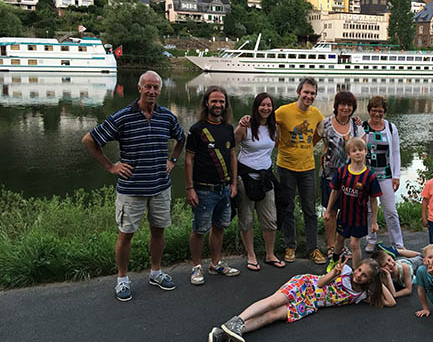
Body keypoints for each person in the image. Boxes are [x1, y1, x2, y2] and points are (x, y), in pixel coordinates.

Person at [82, 70, 185, 302]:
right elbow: (89, 140)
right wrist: (110, 167)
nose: (151, 91)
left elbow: (181, 138)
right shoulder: (123, 117)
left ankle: (156, 272)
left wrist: (173, 160)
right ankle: (122, 279)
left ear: (160, 90)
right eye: (147, 86)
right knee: (125, 234)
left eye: (155, 87)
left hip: (160, 186)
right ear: (139, 88)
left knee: (158, 231)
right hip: (131, 190)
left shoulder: (167, 116)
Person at [208, 258, 396, 342]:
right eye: (359, 270)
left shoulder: (360, 295)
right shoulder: (344, 272)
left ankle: (226, 333)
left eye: (364, 276)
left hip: (309, 304)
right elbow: (321, 283)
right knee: (273, 301)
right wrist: (334, 273)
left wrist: (384, 277)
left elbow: (391, 302)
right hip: (306, 284)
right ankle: (237, 321)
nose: (358, 275)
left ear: (370, 280)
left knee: (273, 315)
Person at [185, 85, 240, 286]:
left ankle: (215, 263)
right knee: (199, 229)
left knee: (219, 227)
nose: (218, 105)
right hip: (203, 188)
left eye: (221, 101)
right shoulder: (197, 129)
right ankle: (197, 266)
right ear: (206, 103)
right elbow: (189, 159)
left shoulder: (227, 128)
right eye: (214, 101)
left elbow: (232, 156)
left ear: (226, 104)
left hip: (224, 189)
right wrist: (189, 188)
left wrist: (234, 183)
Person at [273, 77, 325, 264]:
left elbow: (319, 133)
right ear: (298, 92)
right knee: (288, 208)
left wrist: (310, 145)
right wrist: (277, 142)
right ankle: (290, 246)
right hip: (286, 167)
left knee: (310, 210)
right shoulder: (283, 111)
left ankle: (313, 248)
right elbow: (266, 122)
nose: (309, 96)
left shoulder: (316, 114)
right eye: (306, 92)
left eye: (312, 93)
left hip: (308, 168)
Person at [234, 92, 285, 271]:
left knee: (270, 219)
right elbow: (230, 148)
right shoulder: (245, 127)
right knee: (246, 219)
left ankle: (270, 254)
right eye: (262, 105)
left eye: (269, 105)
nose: (266, 108)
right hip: (245, 178)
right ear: (256, 107)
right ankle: (251, 255)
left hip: (265, 177)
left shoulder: (274, 127)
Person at [317, 91, 365, 259]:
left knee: (346, 213)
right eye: (342, 104)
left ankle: (340, 245)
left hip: (351, 178)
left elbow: (363, 151)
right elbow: (311, 141)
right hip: (329, 175)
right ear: (336, 106)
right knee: (330, 212)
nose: (345, 108)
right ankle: (330, 245)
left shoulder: (356, 126)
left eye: (349, 105)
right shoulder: (325, 124)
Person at [324, 137, 380, 271]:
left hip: (359, 218)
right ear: (349, 154)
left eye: (360, 150)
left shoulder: (369, 176)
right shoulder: (342, 172)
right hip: (344, 216)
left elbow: (373, 200)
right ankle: (335, 263)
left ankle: (356, 272)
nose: (358, 153)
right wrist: (328, 210)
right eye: (354, 151)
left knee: (355, 244)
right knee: (339, 240)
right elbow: (335, 191)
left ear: (366, 151)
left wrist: (374, 222)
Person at [363, 96, 404, 252]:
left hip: (386, 174)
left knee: (390, 211)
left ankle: (398, 243)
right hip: (367, 176)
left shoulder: (391, 128)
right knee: (368, 210)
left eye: (380, 111)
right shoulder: (363, 127)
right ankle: (371, 239)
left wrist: (396, 176)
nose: (377, 114)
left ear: (384, 112)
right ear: (369, 110)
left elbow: (395, 152)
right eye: (374, 110)